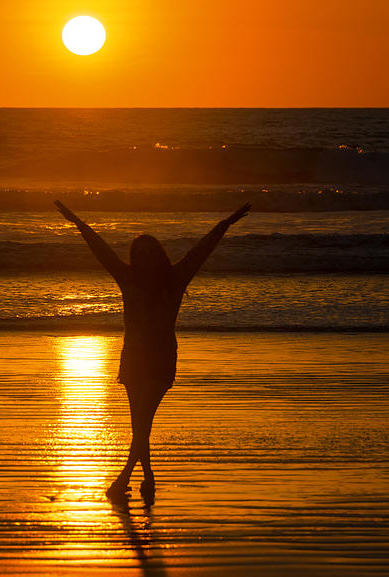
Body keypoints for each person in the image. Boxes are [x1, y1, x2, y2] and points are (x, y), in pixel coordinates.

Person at [54, 200, 251, 500]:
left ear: (158, 254)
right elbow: (102, 250)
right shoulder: (127, 278)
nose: (145, 258)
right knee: (140, 424)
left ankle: (123, 481)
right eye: (139, 253)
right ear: (135, 257)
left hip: (159, 359)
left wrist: (226, 224)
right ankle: (147, 479)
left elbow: (201, 250)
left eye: (150, 252)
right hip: (132, 358)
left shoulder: (175, 278)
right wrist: (78, 223)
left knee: (142, 423)